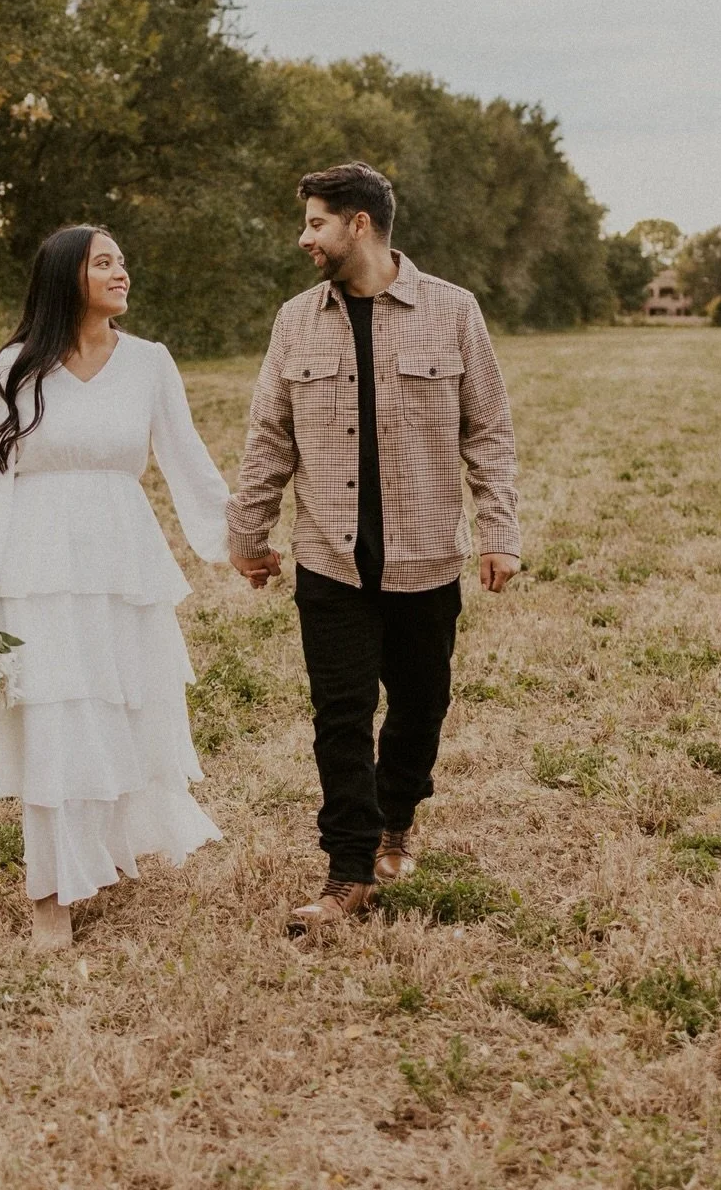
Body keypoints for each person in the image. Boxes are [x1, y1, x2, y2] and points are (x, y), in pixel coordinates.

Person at [226, 162, 520, 930]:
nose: (305, 237)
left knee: (420, 707)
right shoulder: (295, 321)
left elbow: (488, 431)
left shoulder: (453, 311)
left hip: (426, 557)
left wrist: (499, 533)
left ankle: (397, 821)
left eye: (316, 222)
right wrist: (248, 534)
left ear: (359, 224)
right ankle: (348, 872)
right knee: (341, 718)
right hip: (330, 559)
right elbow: (269, 436)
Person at [0, 224, 229, 950]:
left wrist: (238, 541)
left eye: (122, 262)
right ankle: (51, 895)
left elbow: (188, 461)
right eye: (105, 263)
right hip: (37, 564)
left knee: (120, 712)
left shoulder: (150, 363)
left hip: (123, 565)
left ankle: (100, 853)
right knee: (53, 719)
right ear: (67, 276)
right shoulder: (17, 366)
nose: (121, 273)